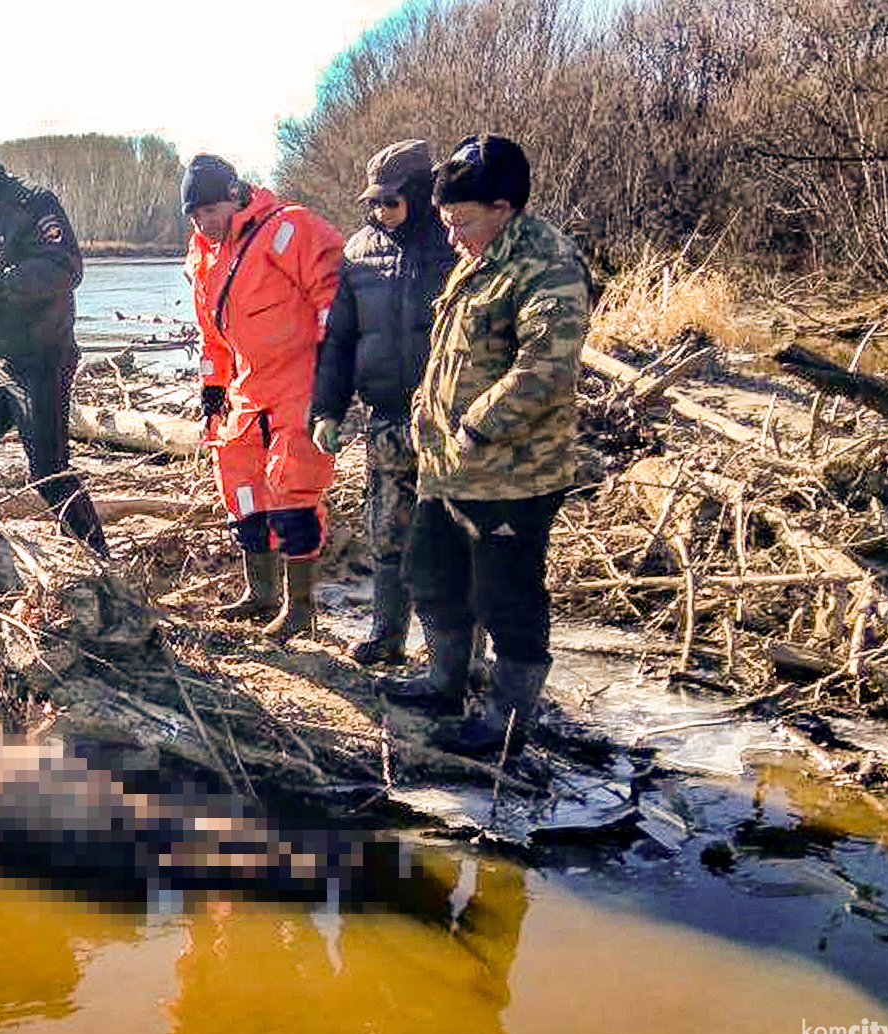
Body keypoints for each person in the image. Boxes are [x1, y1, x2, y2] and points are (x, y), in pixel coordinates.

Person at [380, 133, 592, 757]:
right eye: (445, 224)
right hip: (445, 467)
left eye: (462, 223)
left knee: (506, 596)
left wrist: (475, 425)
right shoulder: (478, 252)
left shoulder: (548, 263)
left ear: (505, 207)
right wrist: (426, 413)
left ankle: (508, 715)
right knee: (431, 572)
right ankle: (447, 680)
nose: (451, 238)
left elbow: (545, 367)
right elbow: (450, 349)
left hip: (512, 473)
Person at [182, 154, 345, 638]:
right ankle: (261, 593)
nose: (205, 222)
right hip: (246, 389)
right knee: (240, 485)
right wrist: (212, 391)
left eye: (211, 210)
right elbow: (212, 337)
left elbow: (334, 299)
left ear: (235, 195)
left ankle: (300, 609)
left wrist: (333, 380)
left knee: (294, 487)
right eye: (195, 215)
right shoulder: (203, 255)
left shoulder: (289, 228)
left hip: (299, 381)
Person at [309, 139, 457, 667]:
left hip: (449, 425)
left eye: (389, 201)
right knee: (386, 534)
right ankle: (387, 635)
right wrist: (326, 409)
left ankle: (455, 658)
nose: (379, 211)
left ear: (419, 194)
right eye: (373, 202)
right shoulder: (357, 253)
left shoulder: (456, 246)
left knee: (448, 543)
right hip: (386, 420)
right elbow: (340, 340)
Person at [0, 129, 107, 556]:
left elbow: (64, 269)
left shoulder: (31, 204)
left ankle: (100, 559)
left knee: (48, 472)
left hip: (43, 357)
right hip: (2, 359)